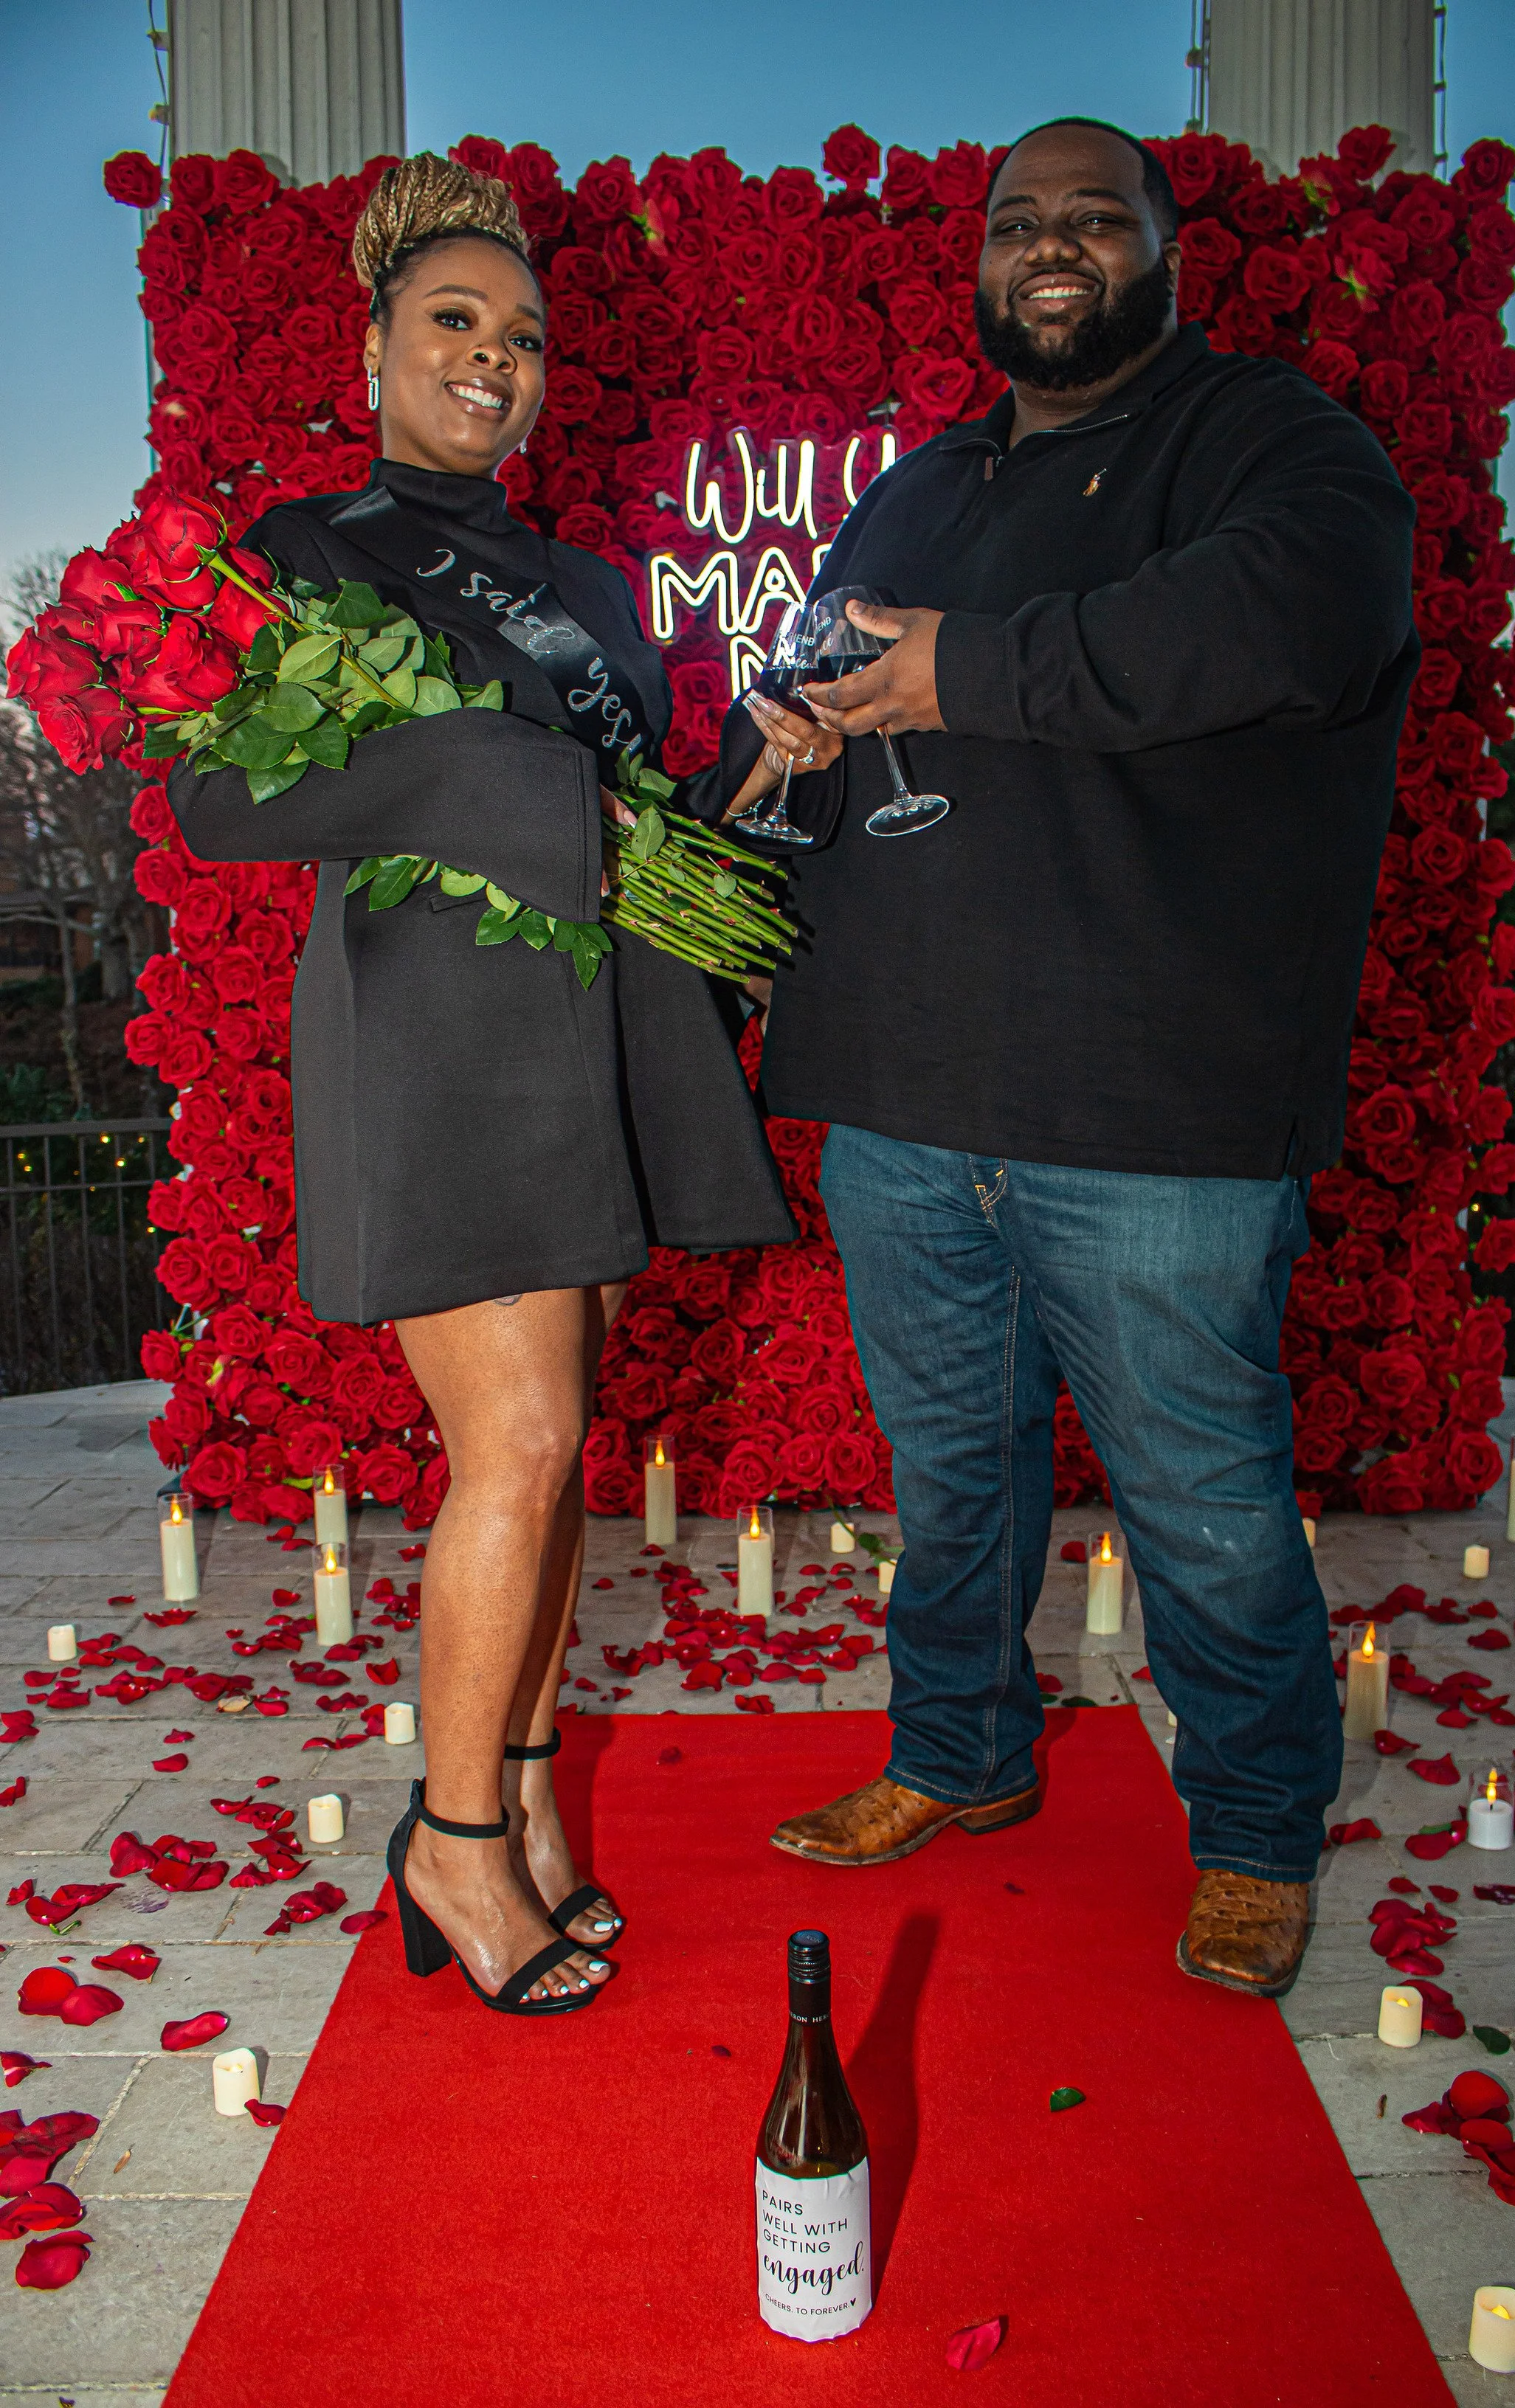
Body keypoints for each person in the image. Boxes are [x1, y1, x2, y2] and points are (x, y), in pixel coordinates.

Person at [746, 117, 1418, 1999]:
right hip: (903, 1094)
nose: (1049, 246)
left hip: (1154, 1111)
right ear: (977, 261)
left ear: (1161, 249)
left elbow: (1287, 617)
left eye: (1088, 218)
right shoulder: (923, 485)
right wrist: (786, 742)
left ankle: (1257, 1833)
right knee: (949, 1488)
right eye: (1014, 222)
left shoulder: (1272, 445)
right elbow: (832, 673)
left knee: (1200, 1505)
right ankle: (955, 1757)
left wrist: (963, 669)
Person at [167, 155, 821, 2016]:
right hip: (443, 1043)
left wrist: (758, 780)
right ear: (373, 346)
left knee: (557, 1458)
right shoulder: (305, 556)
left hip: (599, 1040)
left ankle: (523, 1807)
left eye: (521, 336)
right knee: (517, 1453)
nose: (493, 358)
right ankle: (449, 1847)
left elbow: (640, 826)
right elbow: (221, 801)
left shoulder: (591, 586)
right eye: (453, 322)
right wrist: (493, 774)